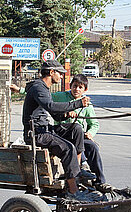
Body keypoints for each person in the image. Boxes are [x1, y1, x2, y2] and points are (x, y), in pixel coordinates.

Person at [9, 59, 95, 200]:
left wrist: (66, 114)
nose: (61, 76)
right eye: (59, 73)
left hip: (46, 129)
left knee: (76, 129)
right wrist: (78, 103)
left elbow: (54, 112)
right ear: (51, 72)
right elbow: (50, 106)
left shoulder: (44, 88)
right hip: (37, 134)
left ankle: (77, 170)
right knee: (68, 148)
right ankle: (73, 192)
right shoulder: (38, 87)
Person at [52, 73, 112, 191]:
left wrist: (90, 133)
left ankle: (100, 181)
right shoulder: (60, 96)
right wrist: (21, 90)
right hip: (62, 134)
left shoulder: (87, 104)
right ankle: (81, 167)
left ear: (85, 89)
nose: (76, 89)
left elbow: (94, 124)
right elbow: (42, 97)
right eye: (75, 86)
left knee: (93, 147)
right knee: (75, 141)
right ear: (71, 86)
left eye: (80, 87)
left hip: (79, 136)